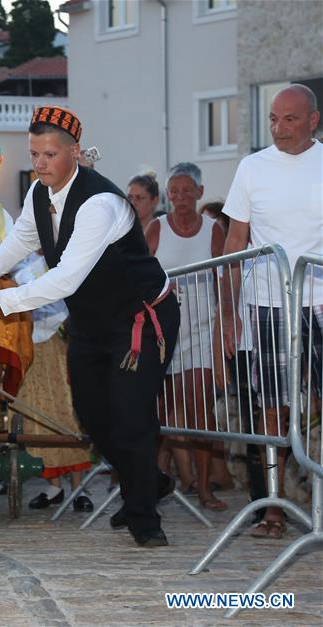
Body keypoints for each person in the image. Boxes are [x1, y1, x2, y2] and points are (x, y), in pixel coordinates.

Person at [0, 105, 179, 547]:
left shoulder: (100, 203)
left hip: (140, 322)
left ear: (75, 153)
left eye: (49, 154)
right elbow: (17, 245)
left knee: (130, 418)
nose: (40, 163)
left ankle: (145, 520)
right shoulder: (38, 195)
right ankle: (149, 481)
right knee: (94, 417)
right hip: (91, 324)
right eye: (34, 154)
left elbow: (65, 277)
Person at [219, 84, 322, 540]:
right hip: (265, 304)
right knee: (271, 408)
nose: (279, 129)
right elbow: (233, 243)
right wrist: (227, 313)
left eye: (290, 120)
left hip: (319, 304)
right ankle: (274, 508)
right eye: (274, 120)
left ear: (313, 121)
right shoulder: (251, 168)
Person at [145, 162, 228, 511]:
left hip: (200, 329)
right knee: (160, 411)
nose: (179, 198)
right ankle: (155, 483)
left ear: (199, 193)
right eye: (173, 191)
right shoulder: (156, 228)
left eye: (185, 191)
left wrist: (227, 324)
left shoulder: (213, 229)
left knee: (201, 410)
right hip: (163, 330)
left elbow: (223, 279)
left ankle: (205, 488)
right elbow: (141, 274)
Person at [14, 252, 93, 512]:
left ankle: (80, 486)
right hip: (32, 343)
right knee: (40, 414)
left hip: (63, 340)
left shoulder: (68, 253)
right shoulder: (20, 260)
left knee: (70, 410)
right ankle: (55, 485)